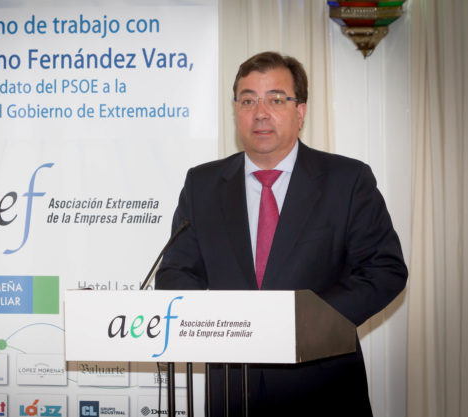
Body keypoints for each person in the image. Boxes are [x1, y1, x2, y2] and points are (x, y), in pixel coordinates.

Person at [155, 51, 408, 416]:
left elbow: (384, 270)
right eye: (247, 101)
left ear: (300, 112)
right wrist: (218, 324)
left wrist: (305, 323)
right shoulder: (202, 184)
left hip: (322, 383)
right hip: (232, 388)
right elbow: (175, 273)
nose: (260, 112)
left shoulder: (346, 180)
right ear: (235, 111)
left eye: (275, 100)